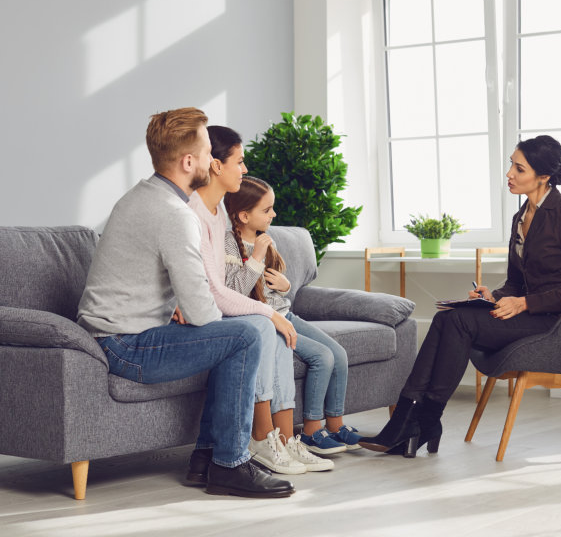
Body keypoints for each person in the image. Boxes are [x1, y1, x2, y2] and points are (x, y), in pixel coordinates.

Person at [77, 108, 294, 498]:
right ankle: (230, 464)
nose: (214, 161)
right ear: (188, 161)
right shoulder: (174, 214)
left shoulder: (141, 196)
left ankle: (205, 460)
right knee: (243, 335)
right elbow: (202, 311)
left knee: (238, 332)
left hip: (119, 337)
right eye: (208, 152)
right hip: (126, 345)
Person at [359, 134, 561, 457]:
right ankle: (410, 418)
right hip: (526, 315)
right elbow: (516, 281)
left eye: (519, 168)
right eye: (510, 165)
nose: (509, 174)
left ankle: (421, 421)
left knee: (458, 323)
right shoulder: (520, 217)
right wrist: (494, 294)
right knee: (447, 317)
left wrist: (524, 302)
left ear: (543, 177)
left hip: (555, 324)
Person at [187, 126, 318, 474]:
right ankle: (260, 438)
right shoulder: (196, 216)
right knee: (261, 326)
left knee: (275, 331)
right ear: (216, 166)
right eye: (240, 162)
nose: (245, 169)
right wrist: (269, 312)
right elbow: (219, 290)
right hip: (202, 313)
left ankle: (284, 439)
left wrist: (275, 307)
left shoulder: (215, 216)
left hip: (217, 307)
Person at [223, 176, 364, 461]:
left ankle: (335, 425)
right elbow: (233, 291)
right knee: (322, 357)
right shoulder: (229, 245)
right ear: (243, 215)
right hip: (264, 320)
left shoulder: (265, 237)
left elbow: (278, 278)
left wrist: (286, 285)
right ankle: (312, 430)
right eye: (267, 210)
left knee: (338, 353)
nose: (273, 215)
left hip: (286, 313)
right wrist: (257, 257)